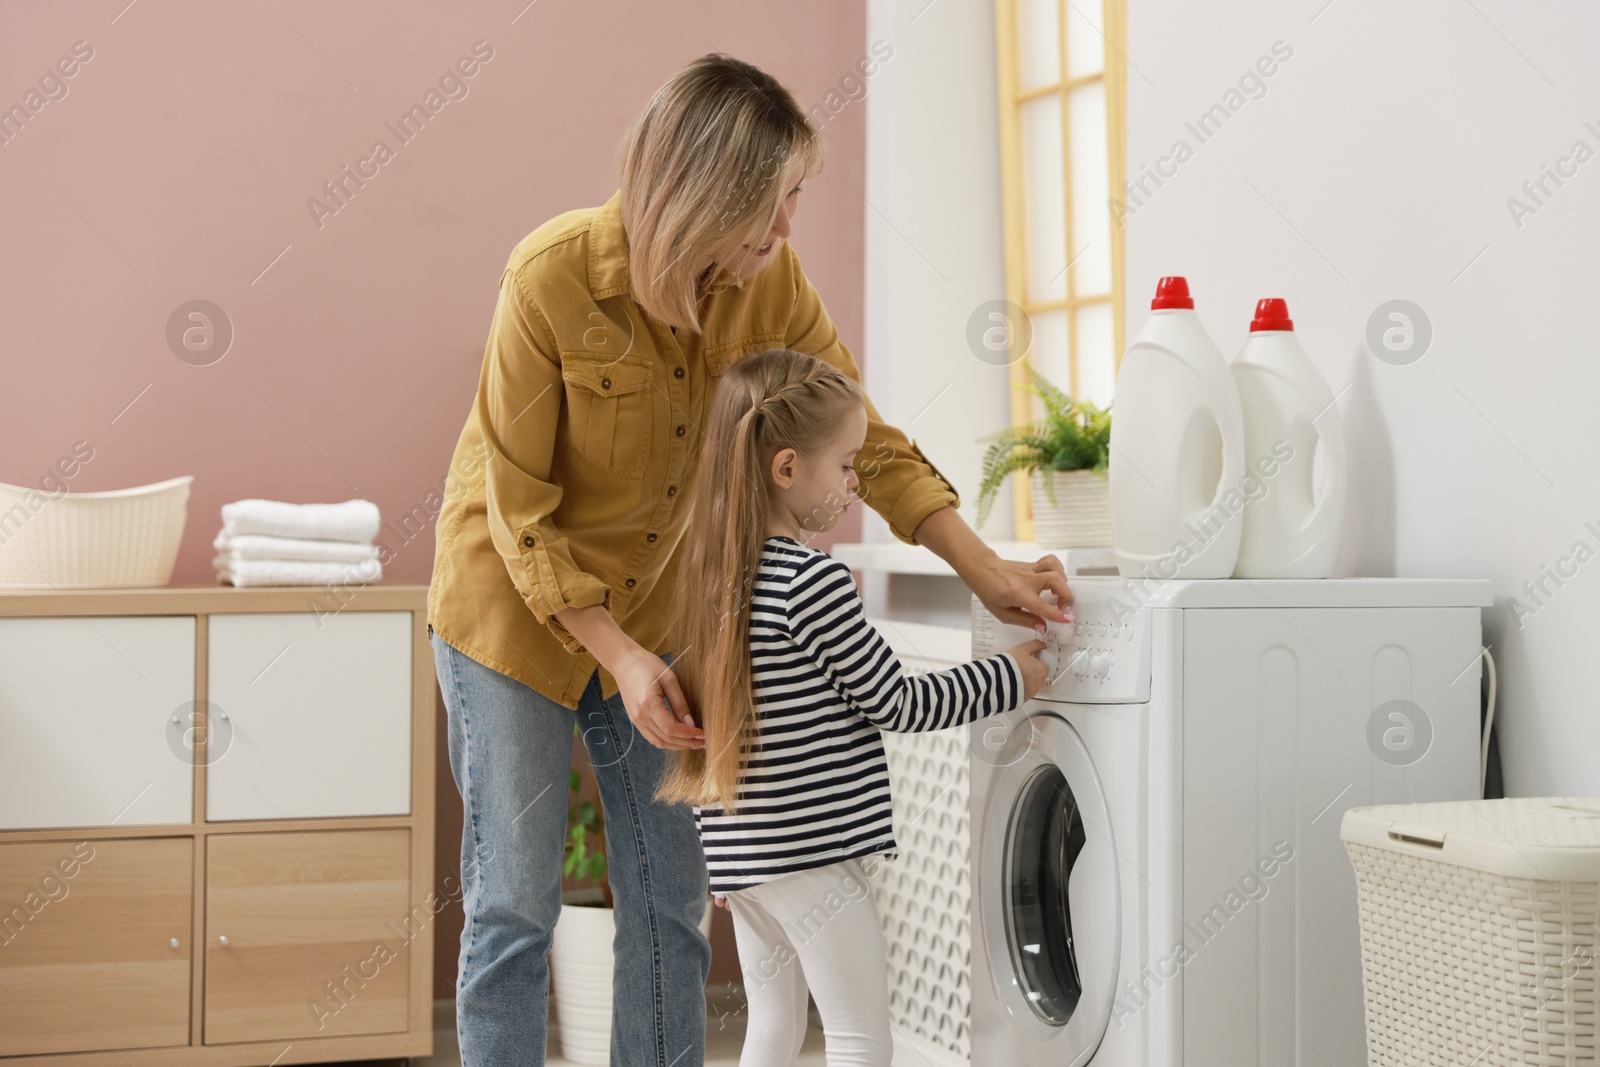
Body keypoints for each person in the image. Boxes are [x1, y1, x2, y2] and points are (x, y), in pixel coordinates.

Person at [427, 53, 1072, 1067]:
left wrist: (981, 566)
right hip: (510, 612)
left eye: (794, 201)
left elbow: (871, 441)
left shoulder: (768, 290)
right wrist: (621, 658)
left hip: (661, 618)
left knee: (673, 896)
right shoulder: (548, 278)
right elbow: (520, 512)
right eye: (768, 206)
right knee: (512, 896)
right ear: (701, 197)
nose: (781, 232)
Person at [656, 348, 1052, 1066]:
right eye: (844, 463)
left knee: (772, 1027)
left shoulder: (713, 580)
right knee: (860, 1036)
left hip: (748, 853)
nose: (854, 480)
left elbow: (706, 728)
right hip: (813, 853)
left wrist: (725, 859)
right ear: (786, 468)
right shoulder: (813, 582)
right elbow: (896, 700)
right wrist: (1011, 677)